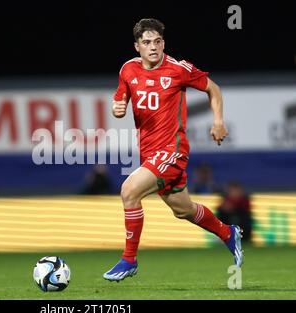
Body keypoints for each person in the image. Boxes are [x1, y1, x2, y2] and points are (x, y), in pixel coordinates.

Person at [103, 18, 243, 282]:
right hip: (149, 152)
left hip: (173, 150)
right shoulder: (128, 70)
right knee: (183, 209)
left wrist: (218, 121)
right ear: (137, 46)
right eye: (146, 43)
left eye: (157, 41)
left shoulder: (178, 70)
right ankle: (227, 233)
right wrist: (116, 108)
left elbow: (213, 89)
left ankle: (129, 260)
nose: (153, 47)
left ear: (163, 43)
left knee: (129, 191)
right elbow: (119, 99)